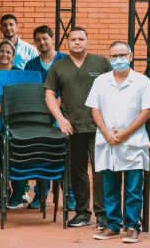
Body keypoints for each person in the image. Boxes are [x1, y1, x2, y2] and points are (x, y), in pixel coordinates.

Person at [86, 41, 150, 243]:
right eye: (114, 56)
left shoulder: (142, 81)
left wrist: (125, 133)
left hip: (133, 142)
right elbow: (94, 109)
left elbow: (147, 112)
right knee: (110, 187)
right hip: (107, 140)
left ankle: (133, 226)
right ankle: (112, 225)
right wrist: (106, 132)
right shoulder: (101, 81)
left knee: (134, 188)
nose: (118, 60)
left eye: (122, 55)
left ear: (131, 56)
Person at [44, 27, 111, 229]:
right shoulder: (59, 67)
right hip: (72, 127)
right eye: (73, 39)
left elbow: (114, 89)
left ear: (88, 42)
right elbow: (49, 94)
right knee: (78, 170)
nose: (77, 42)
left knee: (101, 170)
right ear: (68, 43)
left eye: (81, 39)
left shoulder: (101, 63)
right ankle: (82, 212)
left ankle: (103, 214)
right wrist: (61, 119)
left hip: (99, 126)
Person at [24, 25, 70, 210]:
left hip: (64, 116)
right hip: (39, 117)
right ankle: (40, 194)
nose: (42, 42)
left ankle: (69, 195)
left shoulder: (66, 61)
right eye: (38, 40)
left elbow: (71, 88)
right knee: (40, 155)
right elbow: (27, 91)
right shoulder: (31, 65)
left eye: (45, 38)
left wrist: (55, 105)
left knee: (64, 155)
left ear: (52, 39)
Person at [0, 40, 26, 209]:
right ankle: (0, 194)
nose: (4, 54)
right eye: (1, 51)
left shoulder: (19, 73)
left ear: (13, 56)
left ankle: (17, 194)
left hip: (15, 120)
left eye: (8, 52)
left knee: (17, 157)